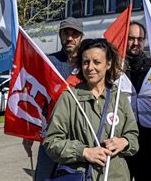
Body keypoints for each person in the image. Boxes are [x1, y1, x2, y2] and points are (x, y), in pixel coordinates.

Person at [44, 38, 139, 180]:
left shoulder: (119, 97)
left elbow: (133, 136)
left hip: (116, 176)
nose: (90, 67)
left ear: (108, 64)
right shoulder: (69, 98)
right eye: (86, 62)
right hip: (81, 176)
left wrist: (124, 142)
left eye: (97, 62)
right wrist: (83, 152)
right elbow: (51, 142)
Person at [22, 17, 84, 181]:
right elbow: (36, 99)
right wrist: (29, 134)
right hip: (50, 135)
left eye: (74, 34)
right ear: (60, 36)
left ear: (81, 37)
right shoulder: (48, 62)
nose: (70, 38)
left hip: (80, 136)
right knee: (43, 176)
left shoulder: (88, 63)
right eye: (66, 33)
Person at [124, 21, 151, 180]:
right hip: (122, 139)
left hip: (149, 140)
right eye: (131, 38)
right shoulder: (114, 68)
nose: (135, 43)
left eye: (140, 39)